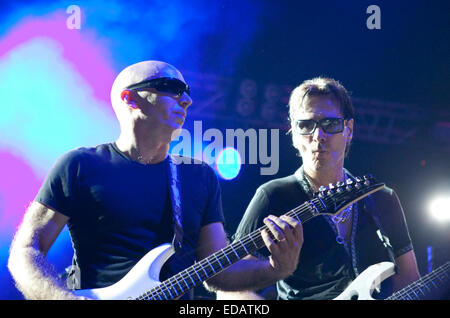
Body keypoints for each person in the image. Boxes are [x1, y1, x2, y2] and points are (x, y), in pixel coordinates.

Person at [7, 60, 303, 300]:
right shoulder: (80, 165)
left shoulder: (199, 176)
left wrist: (277, 268)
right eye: (171, 88)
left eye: (186, 91)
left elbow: (217, 273)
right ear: (130, 98)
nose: (186, 100)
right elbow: (26, 250)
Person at [217, 77, 420, 300]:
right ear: (293, 134)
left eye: (330, 124)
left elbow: (409, 280)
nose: (318, 136)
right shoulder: (273, 196)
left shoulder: (382, 199)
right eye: (305, 125)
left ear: (349, 129)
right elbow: (231, 288)